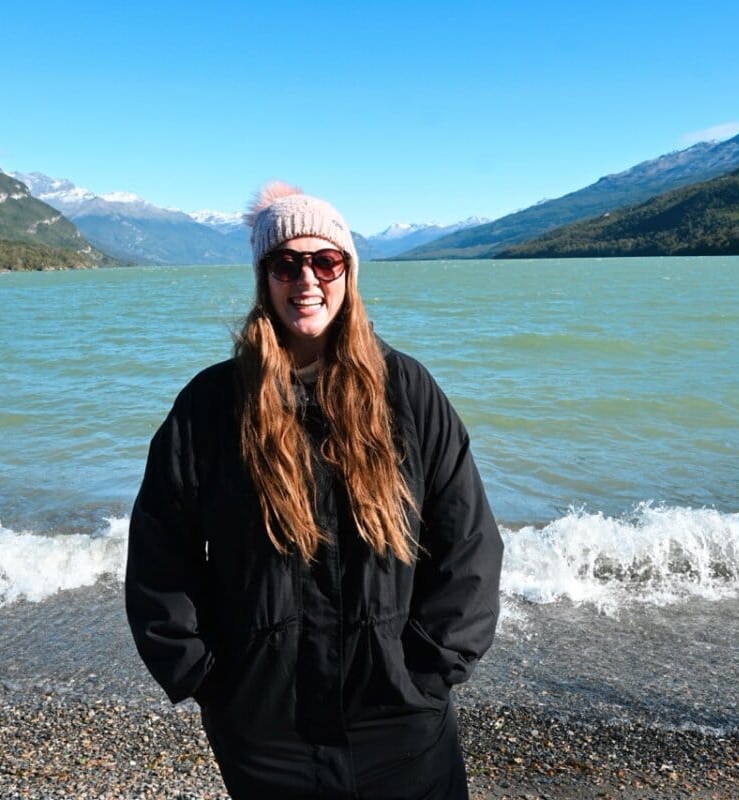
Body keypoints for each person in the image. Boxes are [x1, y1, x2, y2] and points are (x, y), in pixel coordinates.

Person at [125, 182, 503, 799]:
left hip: (401, 718)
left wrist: (431, 668)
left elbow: (468, 542)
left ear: (348, 274)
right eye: (286, 263)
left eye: (325, 261)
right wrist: (206, 676)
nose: (307, 279)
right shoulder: (213, 405)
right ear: (263, 278)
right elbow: (159, 553)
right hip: (265, 727)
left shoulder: (406, 391)